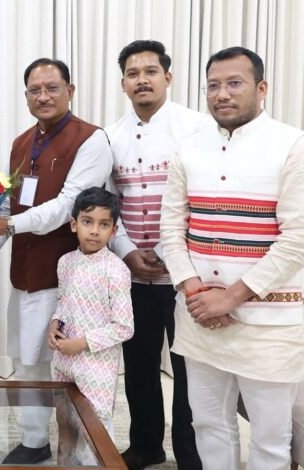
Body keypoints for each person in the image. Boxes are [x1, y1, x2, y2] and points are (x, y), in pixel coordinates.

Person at [160, 47, 304, 470]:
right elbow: (172, 228)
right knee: (207, 425)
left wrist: (230, 297)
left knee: (270, 441)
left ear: (262, 88)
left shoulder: (295, 147)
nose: (222, 94)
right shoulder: (189, 149)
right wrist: (195, 291)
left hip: (270, 326)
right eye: (212, 86)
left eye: (234, 83)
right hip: (199, 317)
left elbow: (301, 239)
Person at [0, 58, 112, 464]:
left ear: (71, 90)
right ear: (26, 95)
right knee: (26, 363)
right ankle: (34, 441)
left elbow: (68, 207)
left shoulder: (91, 140)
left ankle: (78, 447)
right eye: (34, 90)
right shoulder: (21, 142)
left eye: (52, 87)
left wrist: (3, 230)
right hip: (24, 277)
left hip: (69, 280)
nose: (43, 96)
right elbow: (10, 210)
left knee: (70, 369)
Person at [106, 40, 205, 470]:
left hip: (187, 275)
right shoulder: (110, 136)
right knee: (140, 366)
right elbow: (107, 203)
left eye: (150, 71)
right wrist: (126, 251)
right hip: (132, 274)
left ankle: (190, 454)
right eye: (132, 73)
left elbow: (202, 197)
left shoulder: (197, 128)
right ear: (124, 83)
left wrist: (168, 250)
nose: (141, 79)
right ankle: (146, 445)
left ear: (168, 76)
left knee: (189, 372)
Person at [48, 187, 133, 465]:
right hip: (63, 361)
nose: (95, 231)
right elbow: (64, 302)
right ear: (74, 224)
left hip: (96, 366)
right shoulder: (65, 262)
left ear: (114, 230)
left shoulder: (116, 270)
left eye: (103, 224)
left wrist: (81, 343)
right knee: (65, 426)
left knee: (93, 432)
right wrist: (54, 324)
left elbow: (124, 327)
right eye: (88, 222)